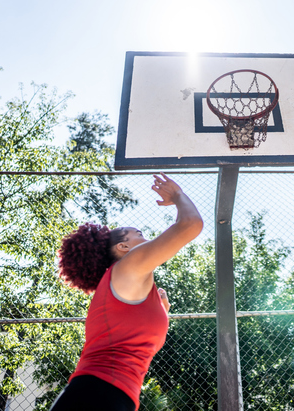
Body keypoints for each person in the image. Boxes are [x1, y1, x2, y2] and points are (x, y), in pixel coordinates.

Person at [50, 173, 203, 411]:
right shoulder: (127, 266)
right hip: (96, 395)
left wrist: (160, 313)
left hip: (109, 396)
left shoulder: (128, 284)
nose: (147, 238)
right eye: (139, 234)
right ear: (124, 247)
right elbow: (191, 224)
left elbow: (132, 347)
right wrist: (177, 195)